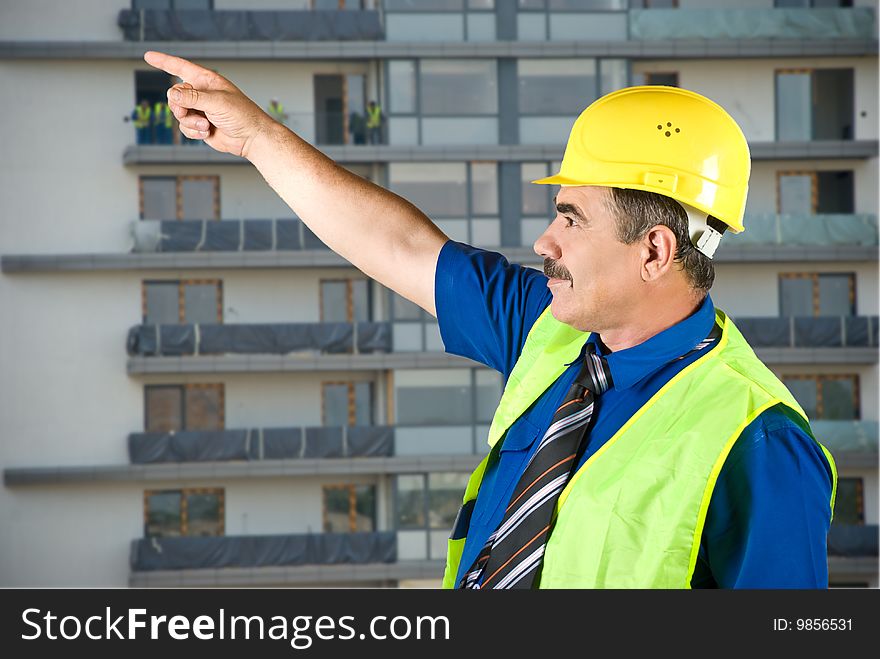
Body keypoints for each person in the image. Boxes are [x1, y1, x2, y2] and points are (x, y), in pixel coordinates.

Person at [144, 51, 837, 589]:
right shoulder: (551, 325)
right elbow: (401, 247)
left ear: (654, 249)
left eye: (571, 218)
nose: (544, 241)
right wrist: (256, 138)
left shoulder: (758, 441)